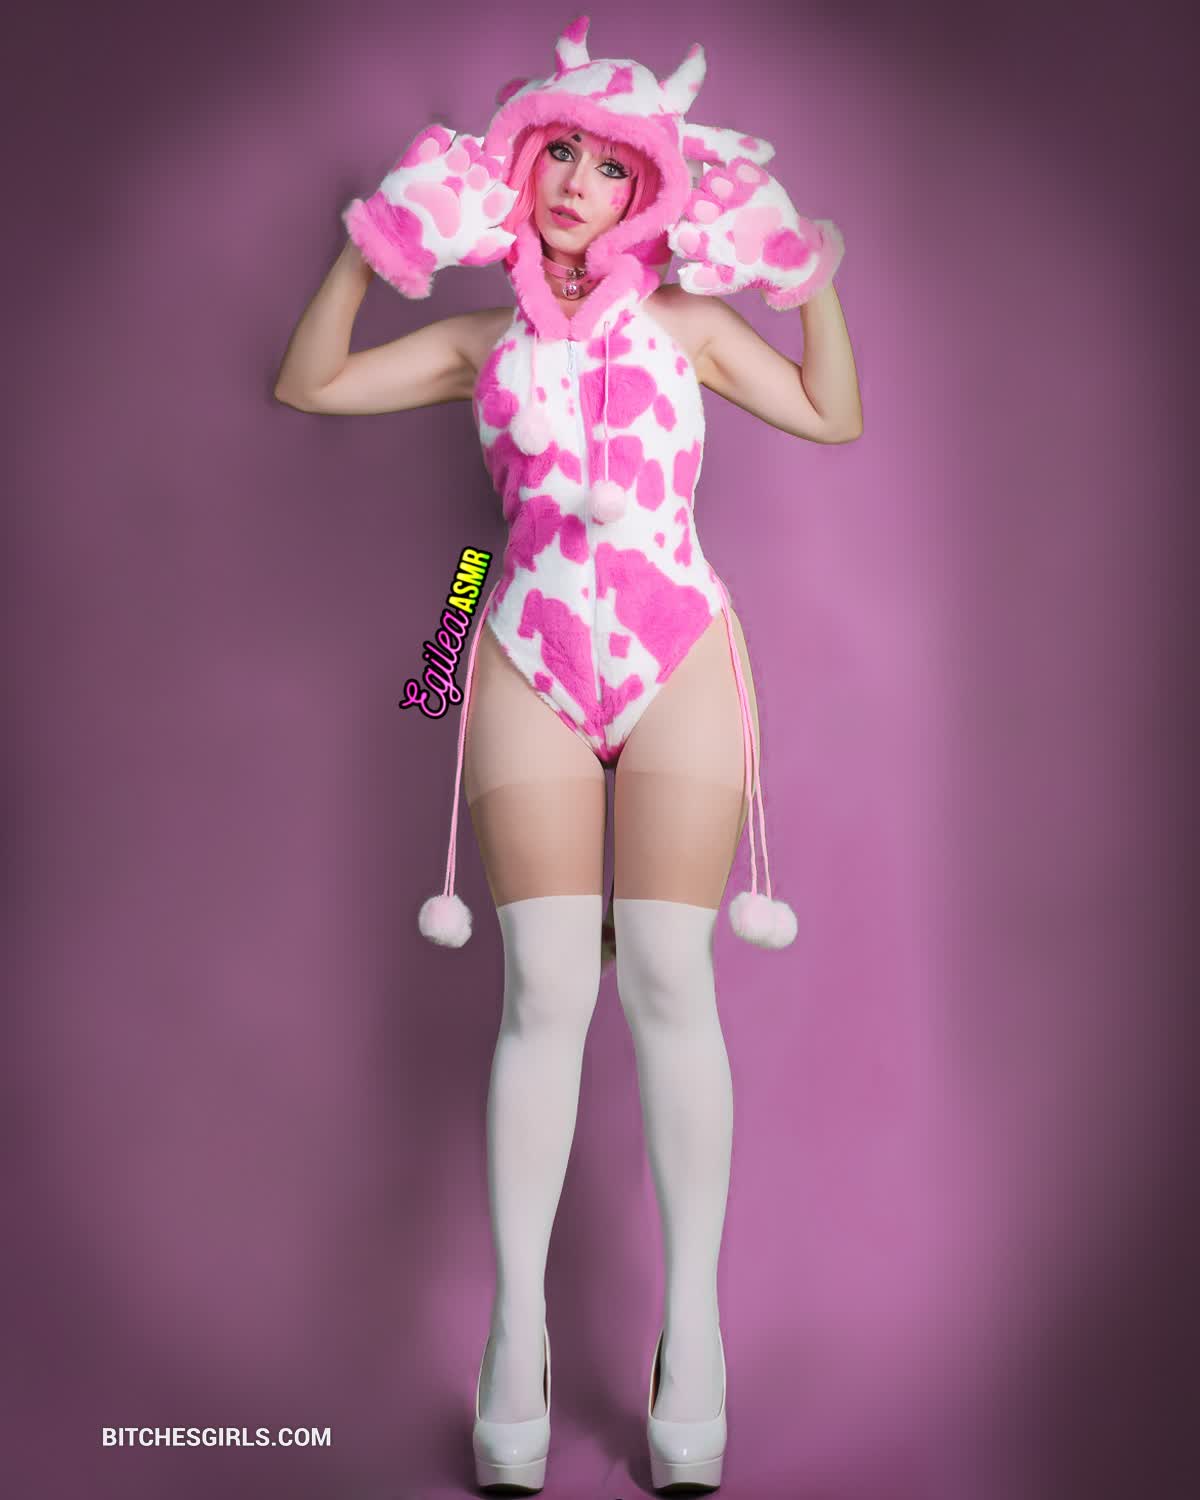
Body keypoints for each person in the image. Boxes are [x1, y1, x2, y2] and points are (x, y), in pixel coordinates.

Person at [275, 16, 861, 1494]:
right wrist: (376, 244)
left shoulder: (692, 328)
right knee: (543, 986)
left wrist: (815, 283)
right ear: (520, 172)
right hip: (514, 631)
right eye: (558, 159)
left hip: (681, 647)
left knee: (667, 975)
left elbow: (831, 414)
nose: (579, 187)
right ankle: (516, 1337)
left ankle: (694, 1337)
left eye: (610, 167)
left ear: (647, 190)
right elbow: (310, 381)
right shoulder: (483, 342)